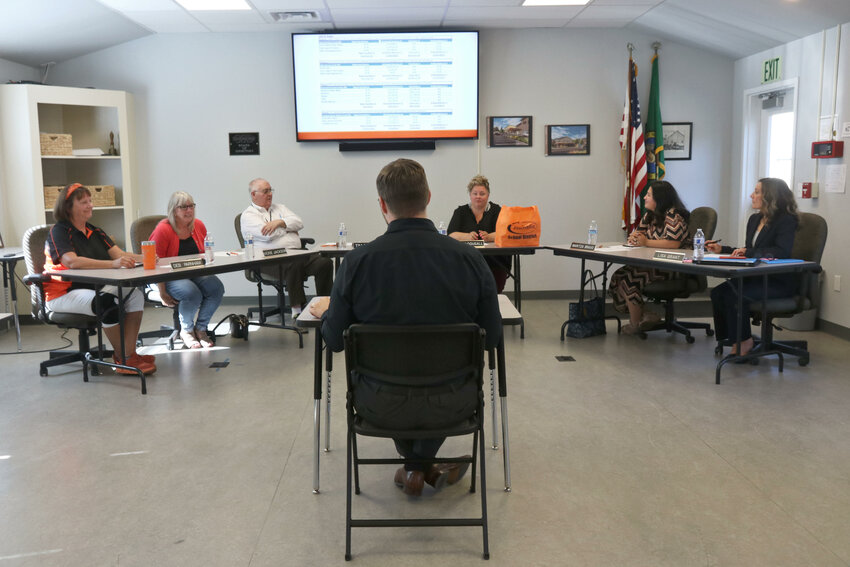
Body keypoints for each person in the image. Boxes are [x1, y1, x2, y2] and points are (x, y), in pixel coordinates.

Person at [310, 159, 502, 497]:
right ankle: (420, 464)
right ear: (428, 196)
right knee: (430, 377)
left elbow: (333, 341)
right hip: (455, 401)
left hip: (377, 403)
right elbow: (494, 337)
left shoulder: (356, 264)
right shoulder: (471, 260)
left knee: (401, 376)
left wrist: (330, 309)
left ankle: (415, 466)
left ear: (382, 205)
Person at [43, 183, 156, 375]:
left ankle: (129, 354)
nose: (90, 205)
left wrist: (148, 258)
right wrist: (113, 264)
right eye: (83, 202)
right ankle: (125, 359)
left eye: (90, 201)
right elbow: (71, 262)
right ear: (68, 206)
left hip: (91, 288)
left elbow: (119, 254)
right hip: (62, 293)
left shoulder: (95, 231)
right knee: (107, 303)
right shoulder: (59, 231)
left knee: (135, 295)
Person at [707, 178, 799, 356]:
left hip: (777, 281)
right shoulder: (755, 219)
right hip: (756, 277)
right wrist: (723, 249)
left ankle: (744, 342)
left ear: (770, 197)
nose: (751, 195)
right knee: (718, 293)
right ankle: (732, 338)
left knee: (735, 296)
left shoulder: (786, 221)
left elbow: (781, 252)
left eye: (757, 192)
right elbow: (751, 250)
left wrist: (747, 252)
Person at [240, 178, 333, 317]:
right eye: (266, 191)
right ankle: (297, 311)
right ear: (254, 194)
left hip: (296, 253)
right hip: (268, 259)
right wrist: (288, 229)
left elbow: (299, 223)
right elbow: (267, 235)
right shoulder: (248, 215)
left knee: (324, 263)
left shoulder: (280, 208)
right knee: (293, 263)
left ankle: (325, 307)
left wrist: (280, 222)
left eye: (271, 190)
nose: (270, 194)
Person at [608, 180, 691, 334]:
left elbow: (673, 244)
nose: (645, 197)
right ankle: (646, 315)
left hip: (673, 266)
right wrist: (635, 238)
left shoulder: (674, 215)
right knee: (618, 276)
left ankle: (635, 324)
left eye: (648, 195)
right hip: (654, 263)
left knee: (629, 281)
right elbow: (638, 234)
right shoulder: (651, 215)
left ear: (660, 199)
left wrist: (645, 241)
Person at [148, 191, 224, 349]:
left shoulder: (198, 225)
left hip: (193, 272)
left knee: (216, 288)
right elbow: (154, 263)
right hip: (166, 276)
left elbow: (205, 254)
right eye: (183, 207)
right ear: (174, 210)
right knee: (191, 292)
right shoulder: (163, 229)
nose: (189, 210)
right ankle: (187, 331)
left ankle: (201, 329)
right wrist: (162, 292)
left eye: (191, 206)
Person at [447, 174, 510, 292]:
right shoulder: (461, 211)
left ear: (488, 195)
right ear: (470, 195)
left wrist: (490, 236)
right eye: (475, 193)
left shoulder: (497, 210)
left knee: (493, 292)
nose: (478, 197)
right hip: (466, 264)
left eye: (482, 194)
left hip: (495, 263)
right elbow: (451, 234)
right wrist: (467, 236)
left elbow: (506, 233)